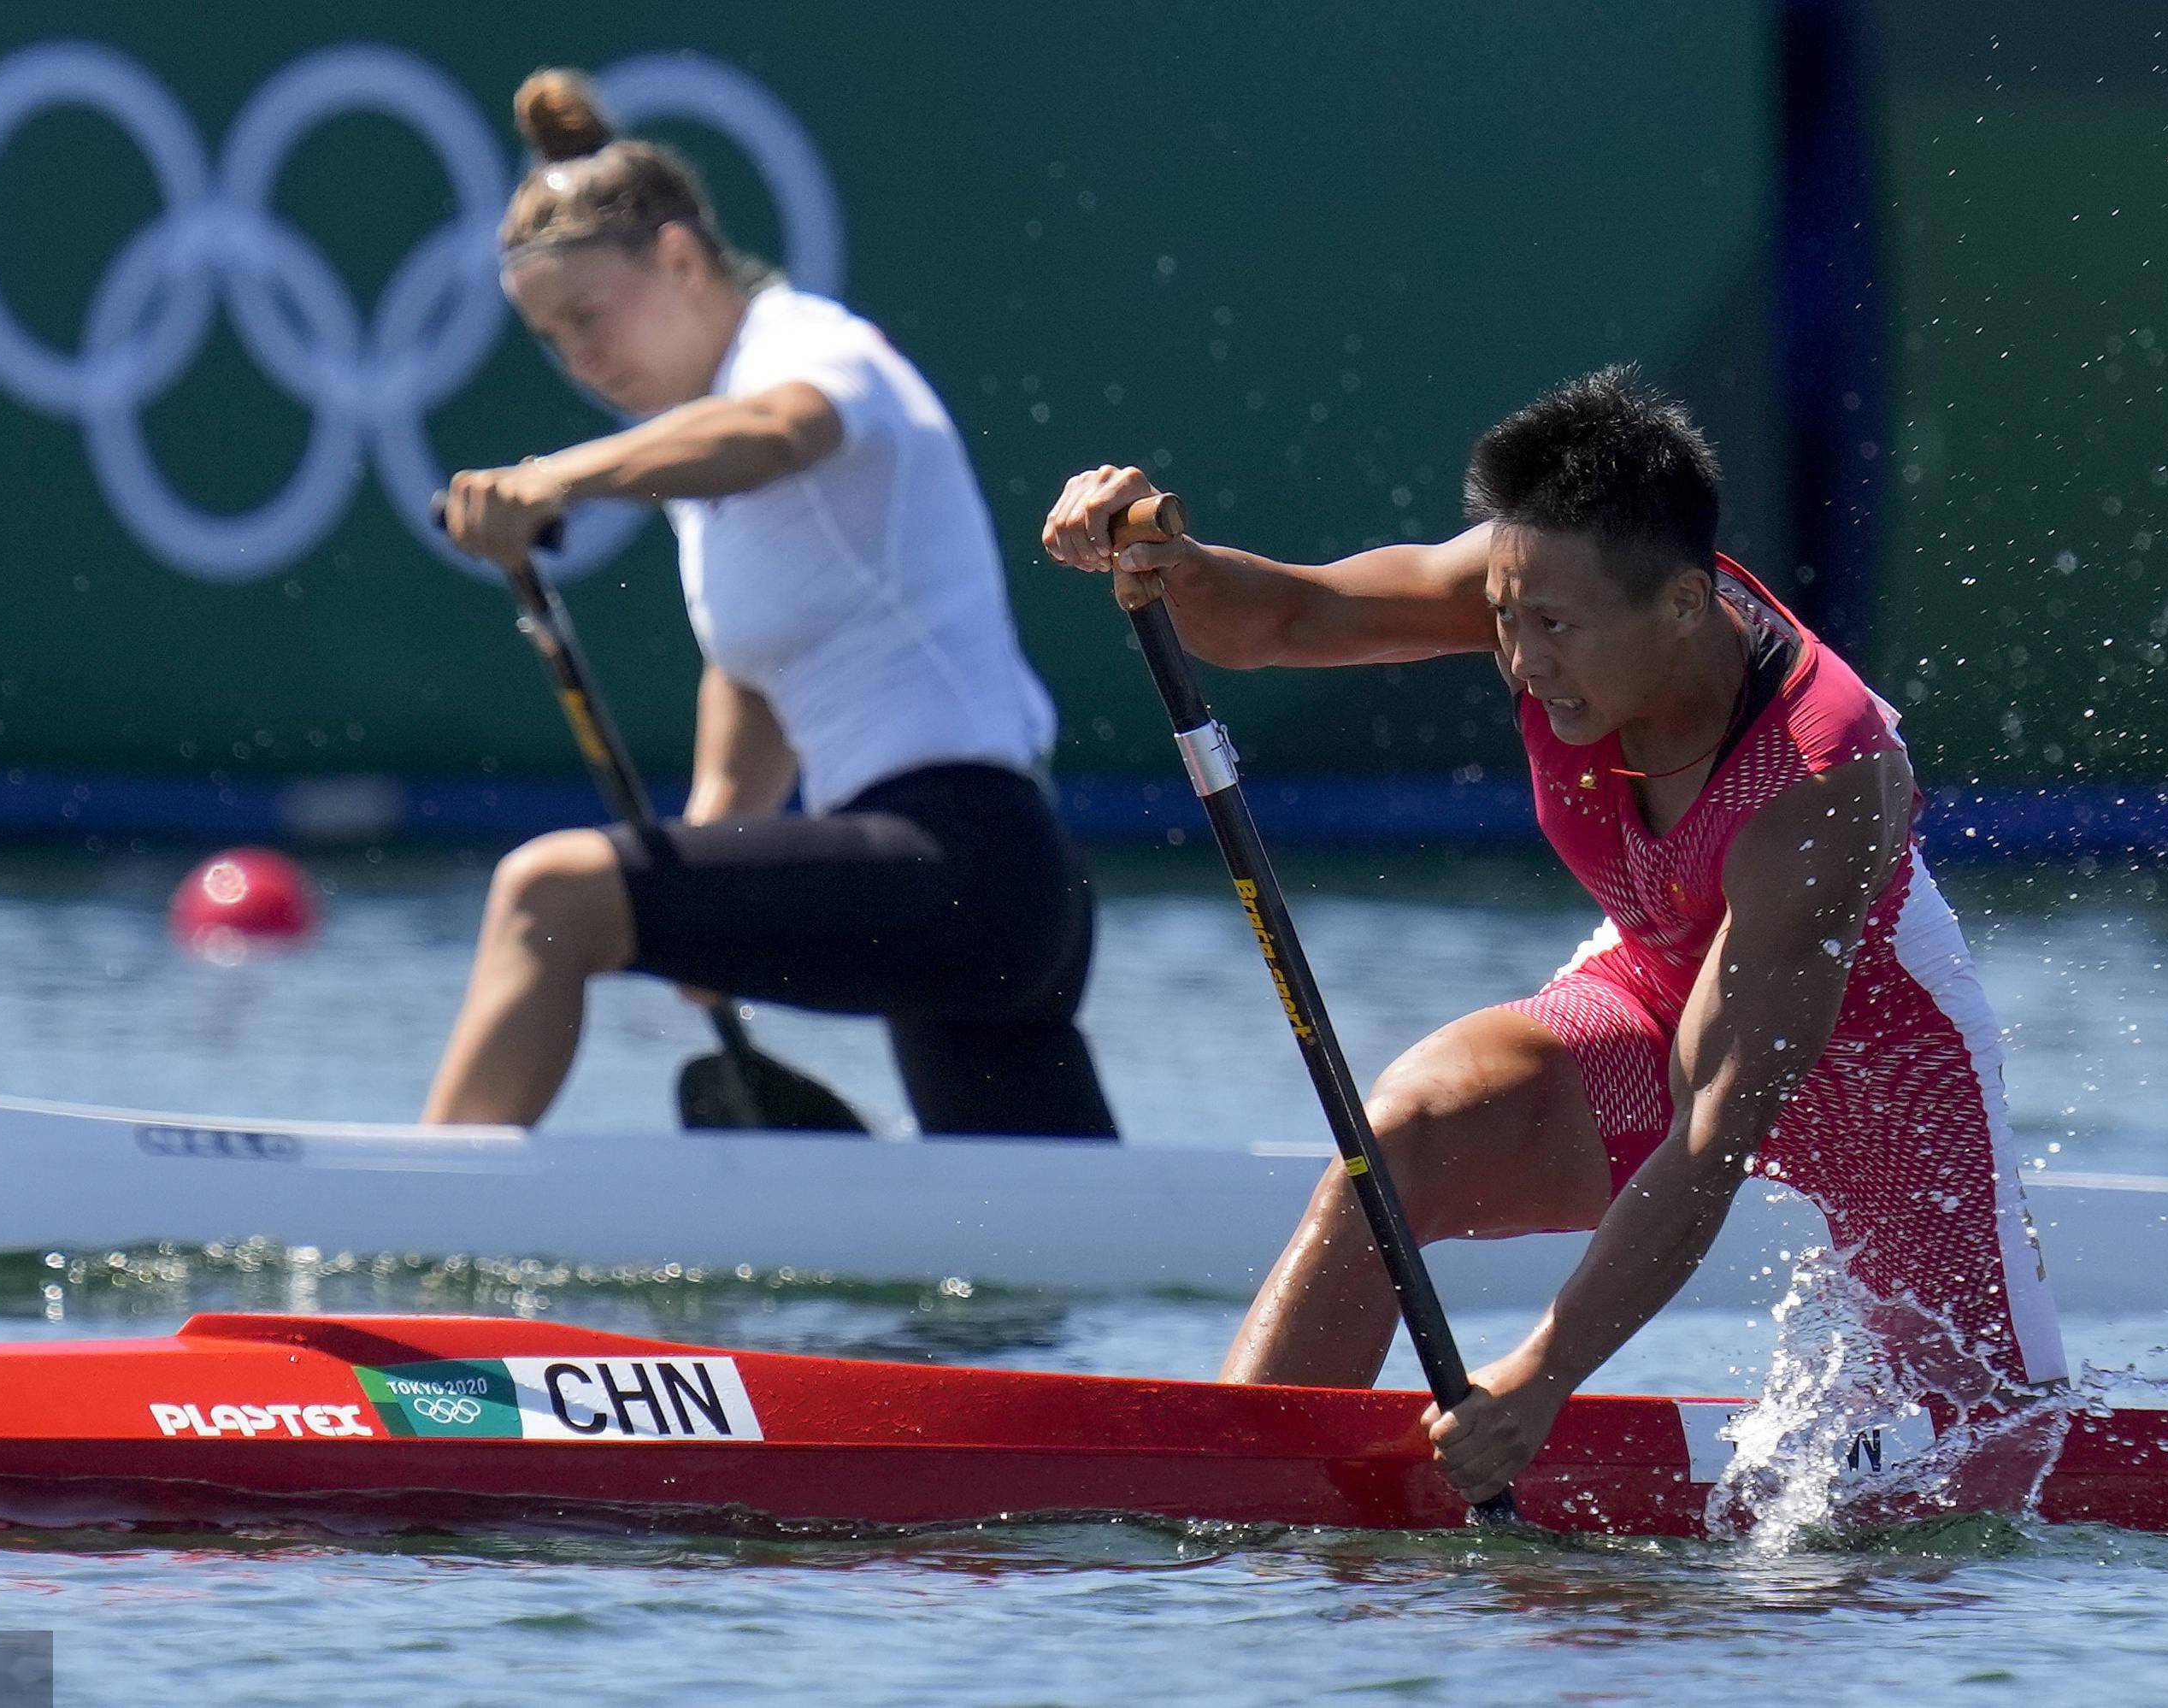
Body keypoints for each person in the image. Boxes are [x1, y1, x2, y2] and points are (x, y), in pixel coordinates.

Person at [1043, 367, 2065, 1500]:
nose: (1522, 659)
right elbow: (1288, 615)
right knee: (1406, 1135)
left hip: (1879, 1069)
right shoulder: (1535, 574)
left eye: (1555, 629)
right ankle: (1222, 1495)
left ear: (1683, 604)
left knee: (1989, 1456)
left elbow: (1712, 1133)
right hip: (1658, 977)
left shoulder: (1825, 777)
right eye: (1505, 619)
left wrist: (1541, 1375)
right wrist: (1170, 566)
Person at [425, 69, 1115, 1138]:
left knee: (545, 896)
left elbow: (786, 429)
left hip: (964, 863)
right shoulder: (704, 467)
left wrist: (563, 478)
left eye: (590, 317)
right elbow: (753, 675)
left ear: (682, 259)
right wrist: (705, 868)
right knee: (1036, 1264)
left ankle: (421, 1230)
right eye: (553, 340)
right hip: (981, 906)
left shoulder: (804, 345)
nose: (582, 359)